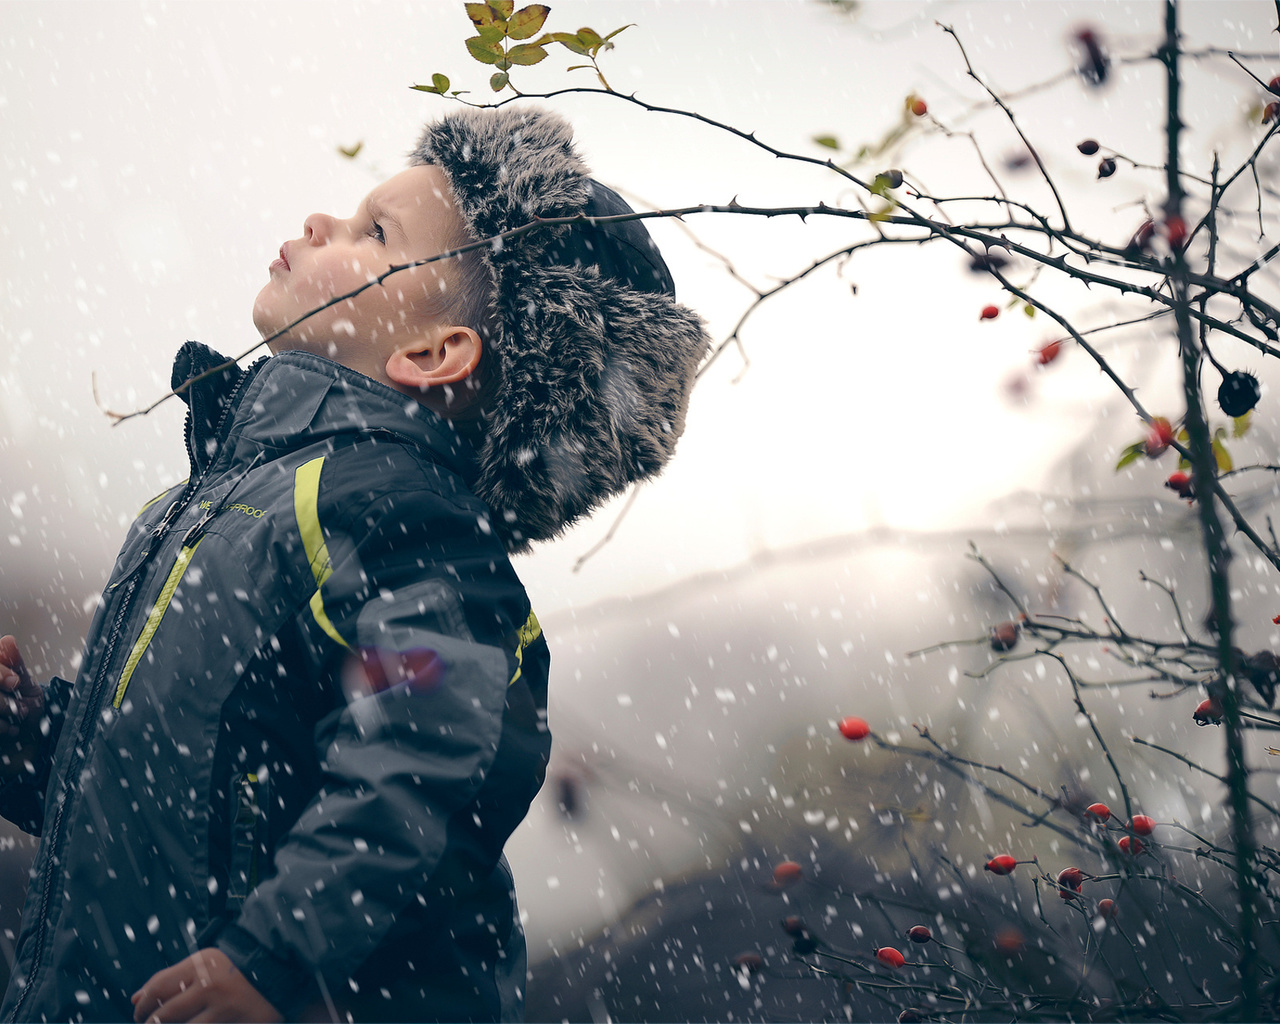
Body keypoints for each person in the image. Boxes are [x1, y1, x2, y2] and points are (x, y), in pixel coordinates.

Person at [0, 105, 708, 1023]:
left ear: (432, 354)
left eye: (377, 232)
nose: (322, 224)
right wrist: (32, 749)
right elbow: (182, 797)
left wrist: (275, 957)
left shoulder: (395, 518)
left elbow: (428, 760)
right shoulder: (215, 501)